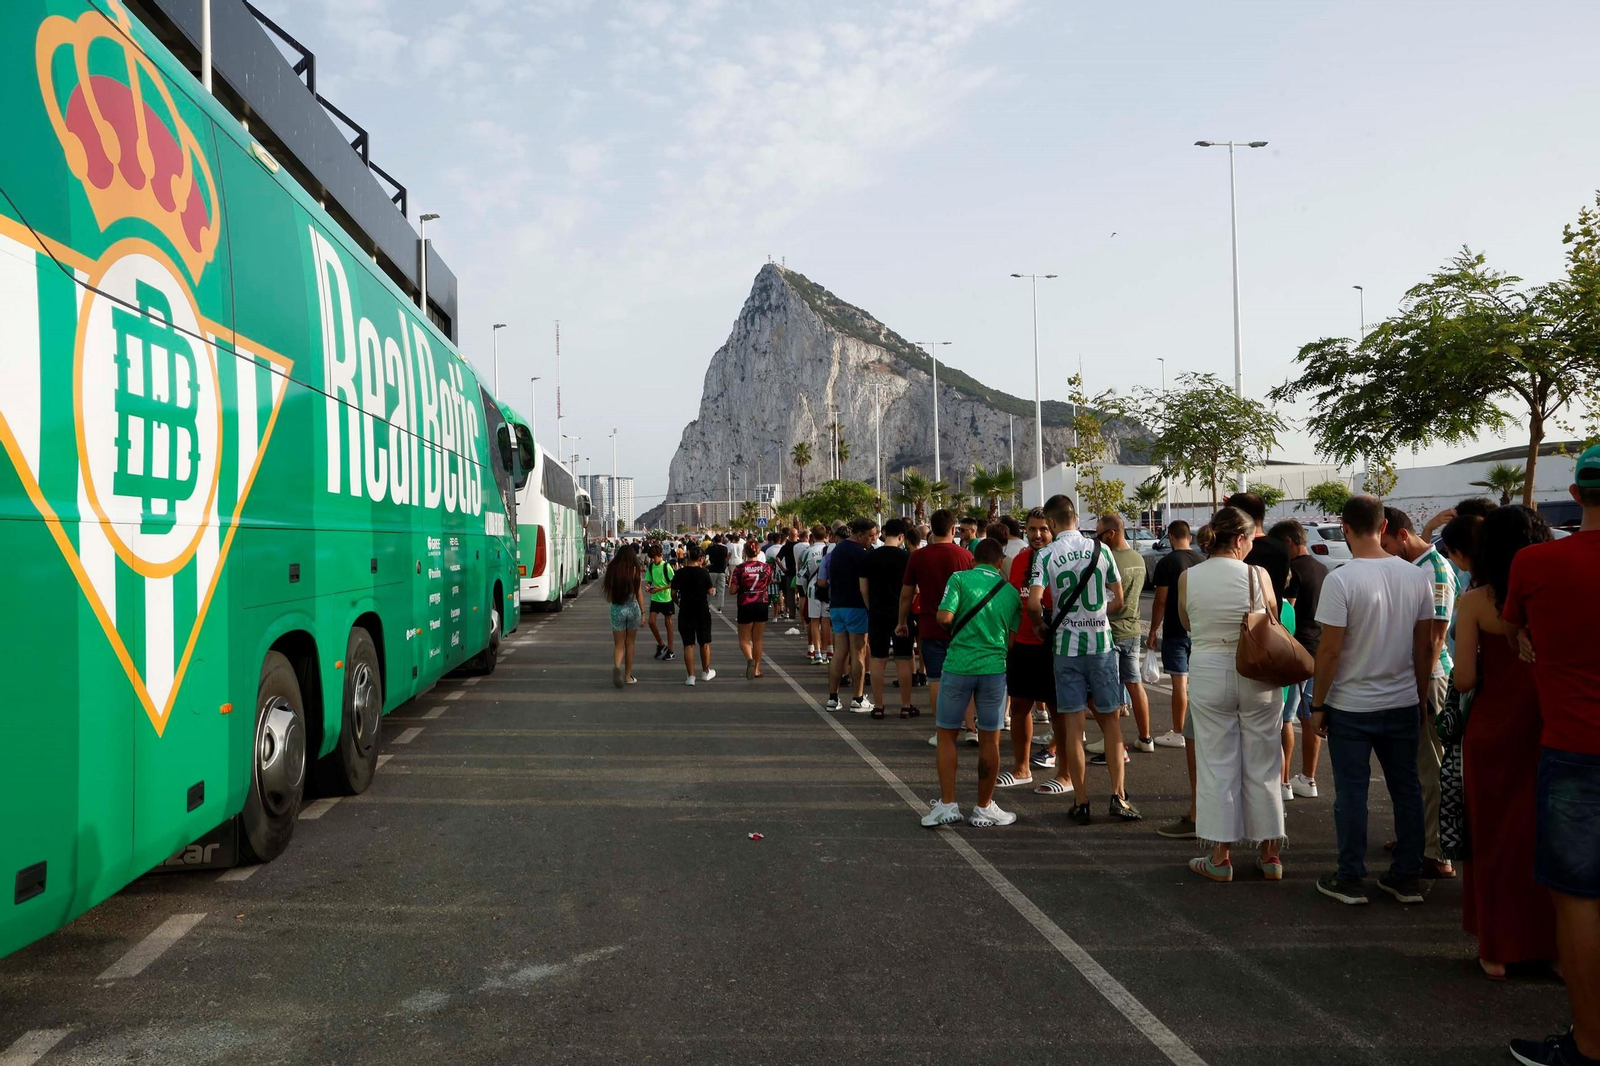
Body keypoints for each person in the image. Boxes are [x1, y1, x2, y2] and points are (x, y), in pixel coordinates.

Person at [1503, 444, 1600, 1066]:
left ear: (1578, 490)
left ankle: (1589, 1046)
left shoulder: (1536, 562)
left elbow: (1516, 632)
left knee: (1580, 900)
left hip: (1573, 749)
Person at [1308, 495, 1435, 907]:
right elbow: (1423, 646)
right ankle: (1406, 878)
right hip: (1400, 702)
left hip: (1351, 706)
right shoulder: (1416, 577)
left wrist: (1318, 704)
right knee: (1407, 790)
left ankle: (1350, 878)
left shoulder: (1342, 580)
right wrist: (1417, 696)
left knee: (1352, 793)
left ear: (1344, 528)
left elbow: (1329, 652)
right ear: (1383, 527)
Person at [1452, 506, 1554, 979]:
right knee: (1548, 836)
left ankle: (1496, 950)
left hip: (1493, 728)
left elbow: (1467, 679)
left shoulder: (1474, 601)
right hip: (1551, 722)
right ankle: (1554, 946)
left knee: (1492, 838)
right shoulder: (1554, 592)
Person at [1178, 506, 1287, 882]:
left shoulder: (1189, 577)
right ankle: (1270, 853)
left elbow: (1187, 622)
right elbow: (1272, 616)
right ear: (1240, 539)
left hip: (1209, 671)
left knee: (1216, 762)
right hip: (1256, 672)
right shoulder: (1259, 575)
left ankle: (1220, 856)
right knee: (1264, 760)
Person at [1027, 494, 1140, 824]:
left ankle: (1081, 799)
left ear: (1050, 523)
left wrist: (1039, 625)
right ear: (1076, 517)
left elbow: (1034, 602)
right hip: (1102, 645)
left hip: (1067, 648)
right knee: (1111, 724)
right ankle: (1119, 796)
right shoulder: (1101, 549)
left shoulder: (1045, 554)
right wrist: (1098, 613)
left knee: (1073, 728)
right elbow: (1118, 599)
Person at [921, 538, 1023, 828]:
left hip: (958, 666)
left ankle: (948, 804)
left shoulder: (959, 579)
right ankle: (984, 806)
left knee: (947, 735)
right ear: (1000, 561)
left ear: (973, 559)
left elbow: (943, 616)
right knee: (990, 738)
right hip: (993, 669)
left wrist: (956, 631)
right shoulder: (1011, 593)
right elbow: (1012, 640)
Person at [1380, 506, 1458, 879]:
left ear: (1401, 536)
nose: (1384, 550)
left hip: (1429, 678)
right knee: (1415, 765)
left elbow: (1435, 636)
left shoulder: (1435, 570)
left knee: (1431, 766)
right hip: (1415, 677)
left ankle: (1436, 849)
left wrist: (1420, 688)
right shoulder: (1417, 565)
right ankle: (1418, 835)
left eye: (1386, 543)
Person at [1148, 521, 1205, 839]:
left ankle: (1179, 730)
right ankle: (1189, 727)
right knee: (1194, 681)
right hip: (1199, 629)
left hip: (1175, 628)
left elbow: (1160, 600)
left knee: (1179, 682)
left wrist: (1153, 631)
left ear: (1170, 537)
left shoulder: (1168, 562)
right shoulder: (1201, 560)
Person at [899, 510, 974, 741]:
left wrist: (901, 621)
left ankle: (942, 731)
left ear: (932, 529)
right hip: (962, 626)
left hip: (930, 625)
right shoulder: (965, 556)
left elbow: (906, 594)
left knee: (936, 679)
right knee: (967, 678)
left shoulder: (918, 557)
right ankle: (972, 729)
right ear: (953, 530)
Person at [1268, 520, 1326, 803]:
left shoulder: (1294, 573)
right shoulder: (1322, 569)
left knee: (1285, 719)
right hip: (1320, 650)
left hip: (1296, 654)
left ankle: (1284, 781)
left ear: (1289, 543)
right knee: (1311, 717)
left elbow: (1286, 612)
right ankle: (1309, 777)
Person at [999, 508, 1055, 790]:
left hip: (1054, 646)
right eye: (1032, 529)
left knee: (1060, 711)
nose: (1037, 534)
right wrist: (1009, 643)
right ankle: (1021, 768)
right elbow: (1013, 602)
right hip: (1022, 645)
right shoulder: (1020, 560)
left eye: (1043, 529)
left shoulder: (1061, 558)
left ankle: (1065, 774)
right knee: (1020, 707)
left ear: (1053, 529)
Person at [1094, 513, 1153, 760]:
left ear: (1111, 534)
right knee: (1135, 684)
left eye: (1098, 535)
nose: (1096, 541)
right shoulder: (1138, 558)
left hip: (1113, 630)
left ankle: (1114, 742)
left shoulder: (1108, 559)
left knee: (1109, 689)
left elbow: (1108, 599)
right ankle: (1145, 737)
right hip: (1133, 628)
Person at [863, 518, 918, 719]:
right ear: (902, 537)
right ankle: (905, 705)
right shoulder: (907, 558)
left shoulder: (869, 557)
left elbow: (863, 588)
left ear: (884, 533)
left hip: (877, 613)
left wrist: (872, 608)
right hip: (901, 614)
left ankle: (878, 706)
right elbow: (914, 589)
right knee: (903, 659)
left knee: (878, 659)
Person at [825, 518, 876, 712]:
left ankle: (833, 698)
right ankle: (858, 698)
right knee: (858, 652)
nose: (872, 539)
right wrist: (870, 606)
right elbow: (864, 587)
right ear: (860, 534)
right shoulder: (860, 554)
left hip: (837, 606)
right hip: (856, 606)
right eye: (870, 536)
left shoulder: (836, 550)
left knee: (840, 652)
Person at [603, 544, 648, 688]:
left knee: (618, 645)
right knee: (630, 644)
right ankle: (628, 676)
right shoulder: (635, 570)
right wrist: (643, 613)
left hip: (617, 608)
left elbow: (609, 591)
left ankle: (617, 666)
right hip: (632, 607)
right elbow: (639, 593)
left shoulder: (612, 568)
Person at [672, 544, 716, 686]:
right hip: (702, 610)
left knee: (688, 644)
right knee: (704, 643)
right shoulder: (704, 573)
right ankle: (705, 671)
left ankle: (690, 676)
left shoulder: (680, 573)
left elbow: (673, 593)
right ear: (701, 559)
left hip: (685, 609)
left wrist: (678, 603)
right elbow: (710, 591)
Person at [728, 539, 772, 679]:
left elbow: (732, 590)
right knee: (758, 639)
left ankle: (749, 658)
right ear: (758, 551)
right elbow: (768, 582)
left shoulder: (740, 568)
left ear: (745, 552)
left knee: (744, 639)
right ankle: (757, 669)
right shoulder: (765, 568)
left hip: (745, 604)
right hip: (761, 603)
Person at [644, 544, 677, 662]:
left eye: (655, 558)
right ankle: (662, 644)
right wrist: (648, 586)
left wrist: (660, 589)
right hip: (655, 598)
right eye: (652, 558)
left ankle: (671, 650)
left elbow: (673, 583)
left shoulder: (666, 566)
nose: (653, 560)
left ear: (660, 556)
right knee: (651, 622)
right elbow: (649, 579)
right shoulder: (651, 566)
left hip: (666, 598)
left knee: (668, 623)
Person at [707, 535, 730, 612]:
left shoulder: (710, 548)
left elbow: (706, 557)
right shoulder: (725, 548)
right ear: (721, 540)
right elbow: (726, 559)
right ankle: (720, 607)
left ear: (714, 541)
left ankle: (708, 605)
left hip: (712, 570)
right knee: (721, 590)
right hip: (721, 571)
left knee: (709, 589)